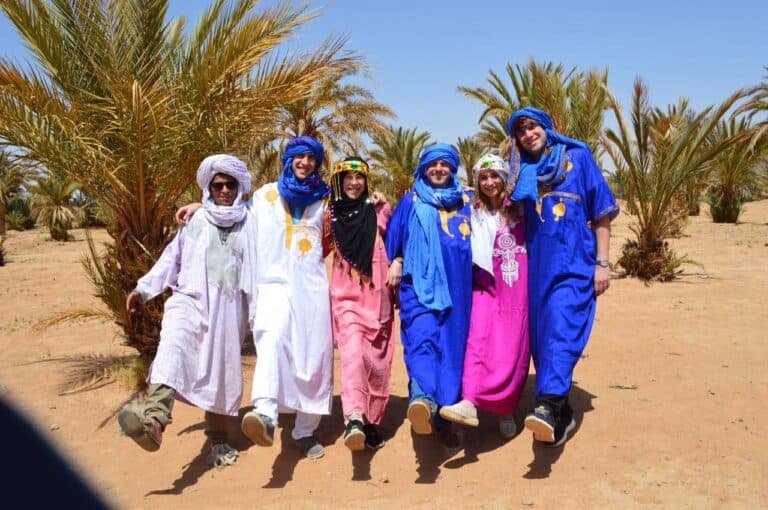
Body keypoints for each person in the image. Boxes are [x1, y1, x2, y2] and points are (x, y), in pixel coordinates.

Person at [118, 154, 257, 468]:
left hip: (228, 309)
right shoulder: (197, 221)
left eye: (230, 184)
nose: (224, 190)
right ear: (208, 188)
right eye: (217, 185)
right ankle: (154, 422)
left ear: (239, 187)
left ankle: (218, 439)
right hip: (189, 300)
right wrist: (144, 289)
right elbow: (172, 257)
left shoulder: (250, 220)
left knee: (221, 372)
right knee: (172, 349)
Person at [507, 106, 619, 447]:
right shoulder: (519, 171)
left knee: (560, 327)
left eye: (533, 126)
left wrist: (602, 263)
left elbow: (601, 214)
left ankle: (545, 406)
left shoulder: (578, 158)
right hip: (534, 270)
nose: (528, 134)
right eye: (521, 130)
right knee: (542, 341)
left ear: (546, 127)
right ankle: (562, 411)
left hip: (573, 266)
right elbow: (494, 202)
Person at [438, 154, 530, 439]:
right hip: (483, 285)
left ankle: (506, 409)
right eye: (483, 178)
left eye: (495, 176)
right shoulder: (471, 209)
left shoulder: (522, 209)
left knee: (511, 348)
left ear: (504, 178)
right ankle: (469, 401)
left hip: (515, 289)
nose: (490, 182)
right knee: (477, 339)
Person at [385, 143, 473, 438]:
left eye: (444, 164)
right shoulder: (410, 201)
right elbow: (393, 241)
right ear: (423, 169)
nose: (438, 169)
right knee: (421, 340)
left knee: (452, 349)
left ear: (452, 168)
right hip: (418, 287)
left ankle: (445, 414)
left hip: (460, 290)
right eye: (433, 164)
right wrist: (398, 260)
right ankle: (422, 398)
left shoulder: (467, 201)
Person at [326, 156, 394, 452]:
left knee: (377, 362)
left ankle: (370, 421)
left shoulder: (380, 210)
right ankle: (353, 416)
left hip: (378, 300)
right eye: (348, 178)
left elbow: (400, 240)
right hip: (347, 300)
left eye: (359, 177)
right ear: (339, 182)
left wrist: (398, 261)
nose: (354, 183)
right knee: (353, 354)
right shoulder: (329, 215)